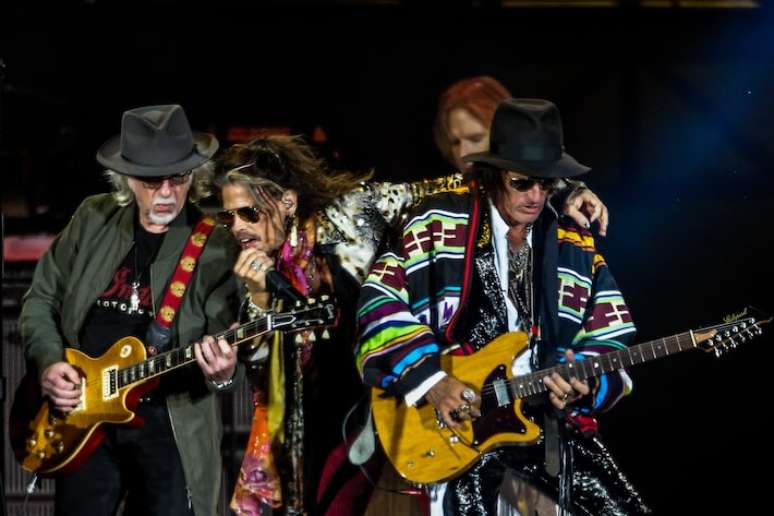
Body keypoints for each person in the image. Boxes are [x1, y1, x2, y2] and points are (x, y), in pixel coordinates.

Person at [356, 98, 650, 514]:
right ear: (495, 174)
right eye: (521, 183)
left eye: (546, 184)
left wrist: (586, 380)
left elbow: (609, 333)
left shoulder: (572, 241)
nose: (534, 196)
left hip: (548, 430)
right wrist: (433, 382)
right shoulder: (436, 220)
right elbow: (379, 303)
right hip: (460, 432)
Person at [20, 104, 240, 516]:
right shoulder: (93, 217)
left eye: (178, 178)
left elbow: (225, 342)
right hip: (84, 417)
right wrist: (50, 363)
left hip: (170, 424)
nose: (166, 192)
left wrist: (225, 374)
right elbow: (41, 299)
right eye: (151, 180)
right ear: (126, 178)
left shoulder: (215, 245)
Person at [433, 75, 609, 236]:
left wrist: (566, 192)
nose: (463, 153)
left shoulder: (558, 199)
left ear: (507, 133)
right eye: (455, 142)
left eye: (476, 138)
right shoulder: (431, 204)